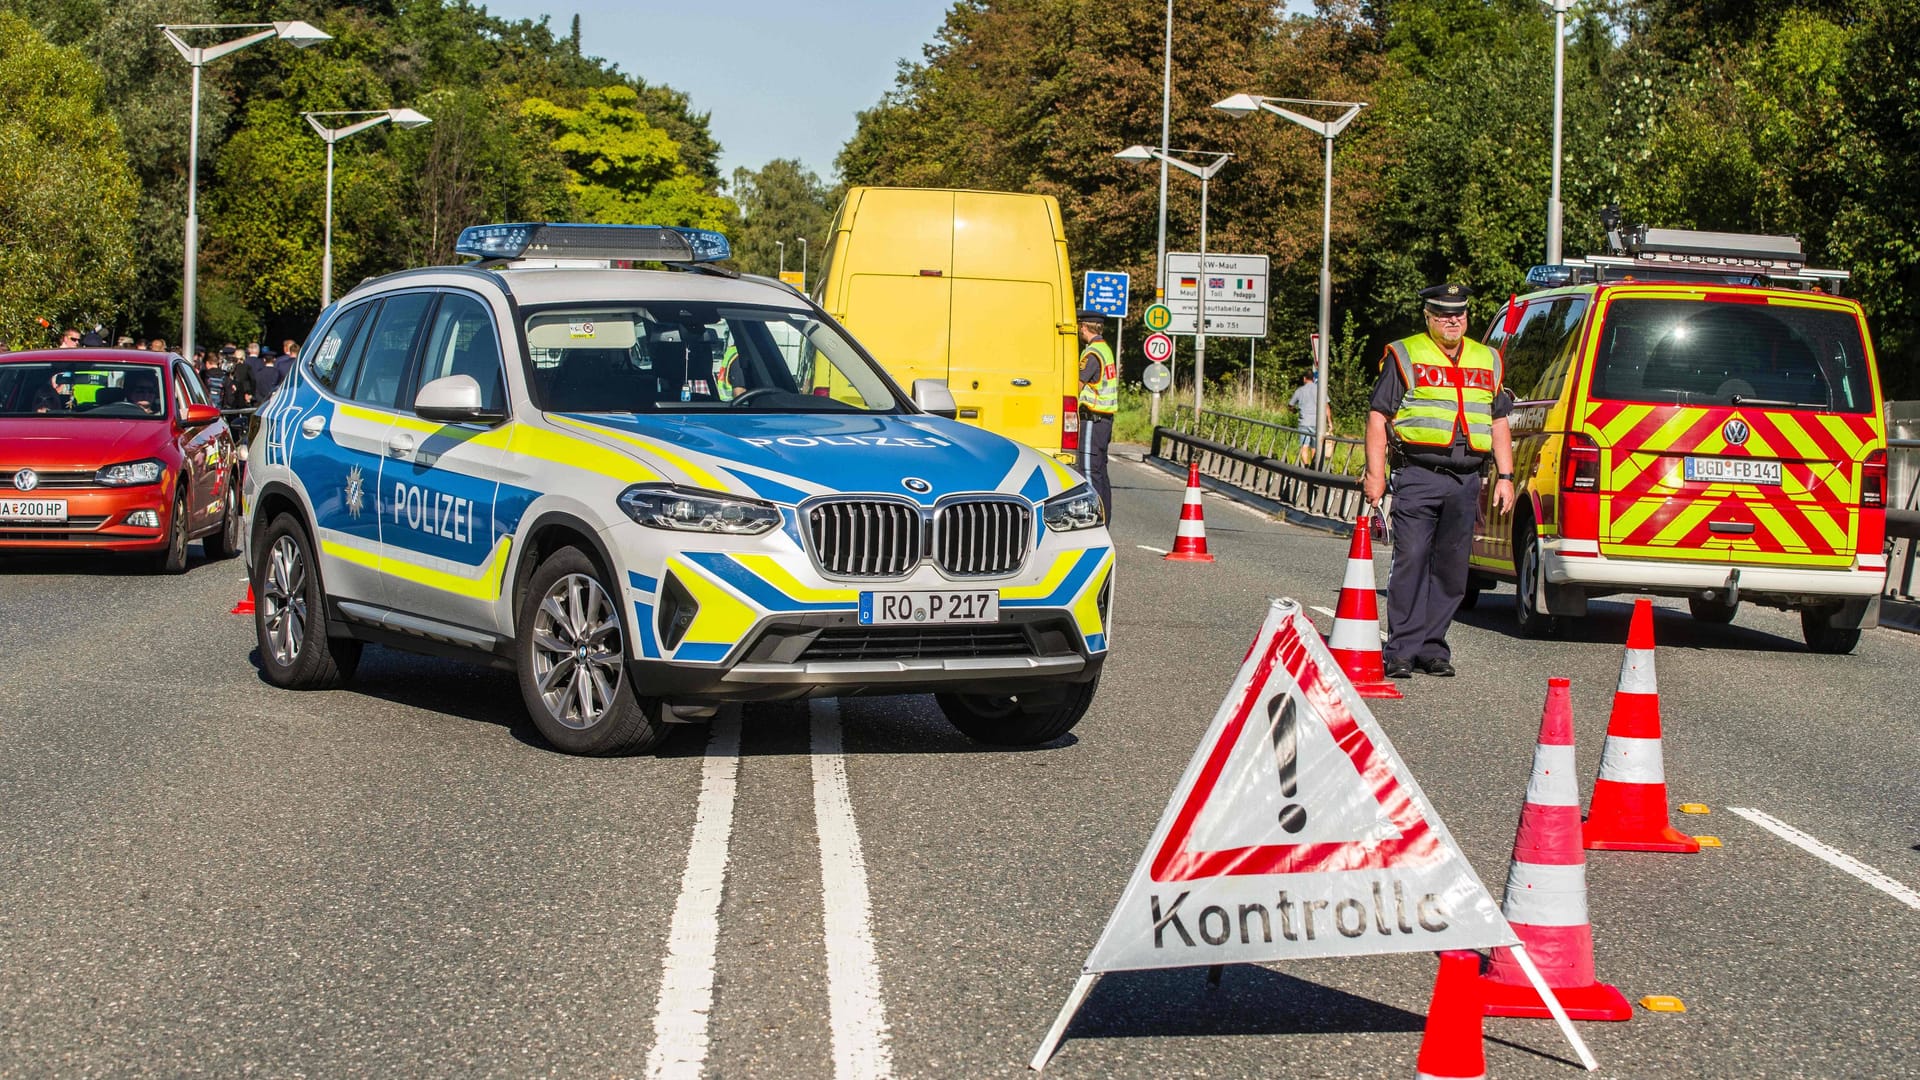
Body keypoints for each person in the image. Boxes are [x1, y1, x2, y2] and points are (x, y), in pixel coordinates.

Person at [1362, 282, 1516, 679]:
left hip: (1467, 479)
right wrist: (1375, 475)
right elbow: (1379, 416)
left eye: (1460, 313)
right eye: (1444, 314)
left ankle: (1433, 647)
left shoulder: (1489, 359)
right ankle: (1401, 649)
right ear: (1428, 317)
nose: (1453, 320)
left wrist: (1505, 476)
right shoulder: (1406, 353)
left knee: (1451, 568)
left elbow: (1498, 421)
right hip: (1418, 474)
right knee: (1412, 557)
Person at [1074, 308, 1116, 518]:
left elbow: (1077, 386)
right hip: (1105, 421)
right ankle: (1105, 518)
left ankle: (1095, 521)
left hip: (1093, 419)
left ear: (1083, 327)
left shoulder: (1090, 353)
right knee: (1100, 474)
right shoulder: (1105, 348)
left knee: (1089, 472)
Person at [1289, 368, 1321, 466]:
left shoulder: (1300, 391)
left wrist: (1294, 411)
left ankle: (1306, 466)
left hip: (1304, 423)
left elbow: (1290, 405)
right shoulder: (1320, 390)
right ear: (1313, 378)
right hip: (1317, 423)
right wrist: (1329, 422)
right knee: (1315, 448)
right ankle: (1314, 467)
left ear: (1304, 378)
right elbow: (1327, 406)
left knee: (1304, 447)